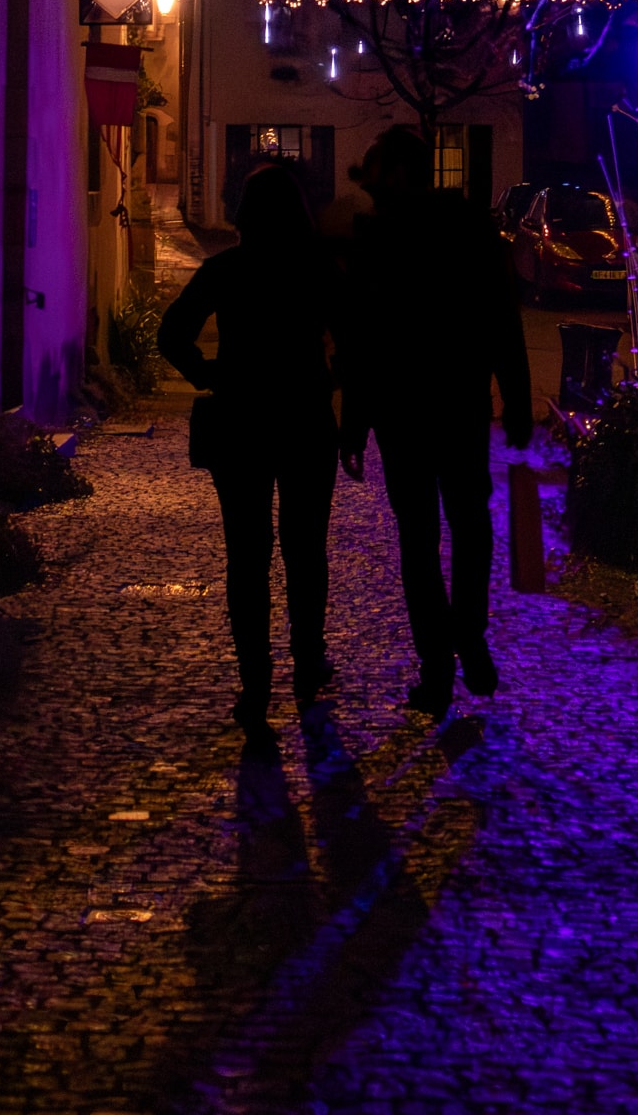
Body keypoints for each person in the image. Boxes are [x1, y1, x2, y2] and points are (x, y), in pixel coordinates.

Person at [337, 126, 532, 720]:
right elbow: (503, 316)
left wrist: (354, 422)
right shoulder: (473, 226)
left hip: (403, 411)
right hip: (460, 403)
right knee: (471, 527)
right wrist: (516, 398)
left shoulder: (379, 237)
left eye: (373, 174)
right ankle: (468, 636)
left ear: (396, 173)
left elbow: (362, 337)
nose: (368, 188)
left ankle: (438, 666)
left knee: (418, 540)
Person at [157, 161, 339, 742]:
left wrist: (207, 374)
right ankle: (308, 667)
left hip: (241, 420)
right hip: (306, 419)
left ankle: (255, 682)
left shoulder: (225, 271)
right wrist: (333, 388)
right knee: (306, 551)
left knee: (248, 557)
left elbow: (171, 333)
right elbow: (357, 340)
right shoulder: (318, 271)